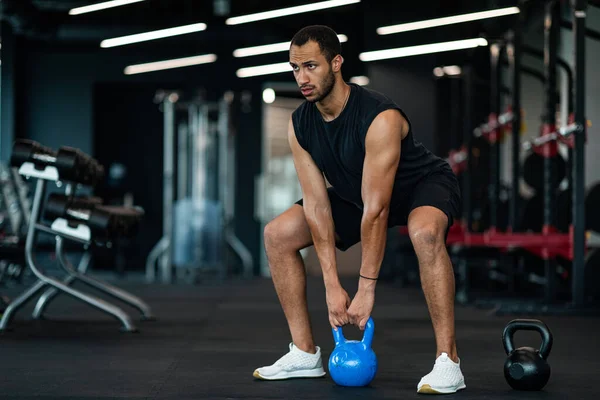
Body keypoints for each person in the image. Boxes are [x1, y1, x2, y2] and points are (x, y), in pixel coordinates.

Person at [253, 25, 466, 395]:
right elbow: (318, 206)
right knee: (278, 234)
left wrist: (366, 288)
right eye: (294, 68)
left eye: (311, 66)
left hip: (421, 186)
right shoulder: (300, 123)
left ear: (336, 63)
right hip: (357, 195)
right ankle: (304, 353)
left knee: (425, 233)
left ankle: (449, 361)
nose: (302, 78)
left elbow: (378, 210)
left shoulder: (379, 117)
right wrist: (331, 285)